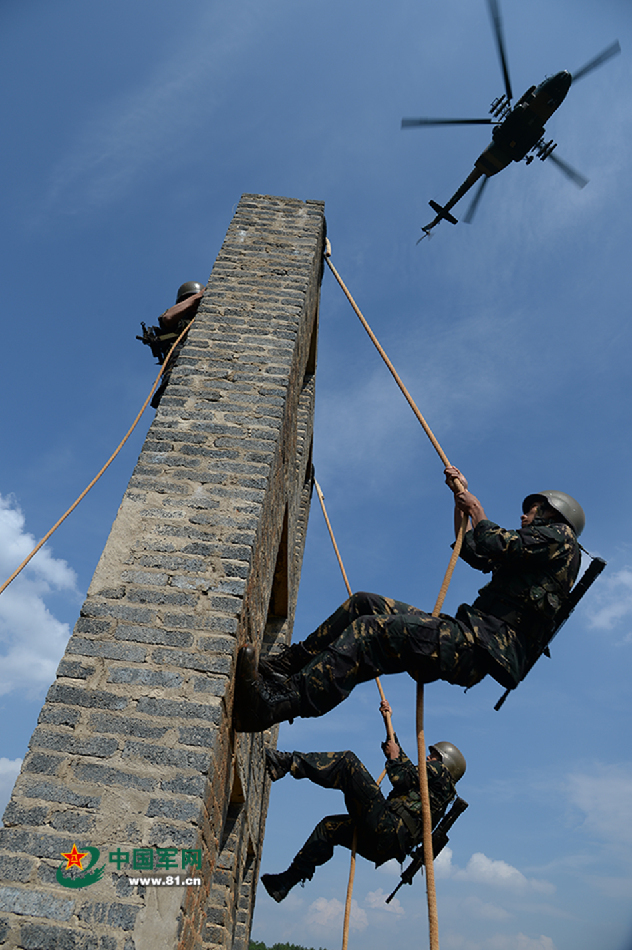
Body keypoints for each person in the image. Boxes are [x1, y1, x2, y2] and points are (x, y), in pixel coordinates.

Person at [233, 467, 583, 732]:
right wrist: (458, 501)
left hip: (478, 647)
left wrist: (476, 508)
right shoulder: (540, 552)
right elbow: (475, 552)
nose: (525, 516)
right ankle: (284, 667)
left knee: (370, 633)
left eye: (533, 510)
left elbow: (494, 542)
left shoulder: (561, 539)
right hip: (467, 634)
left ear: (553, 514)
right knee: (364, 604)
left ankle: (275, 704)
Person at [260, 699, 465, 902]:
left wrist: (393, 758)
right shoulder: (439, 790)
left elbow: (399, 777)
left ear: (446, 764)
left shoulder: (440, 773)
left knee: (347, 762)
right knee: (329, 828)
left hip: (387, 826)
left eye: (433, 756)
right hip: (385, 846)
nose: (428, 758)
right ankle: (286, 882)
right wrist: (388, 722)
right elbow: (405, 767)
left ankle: (286, 763)